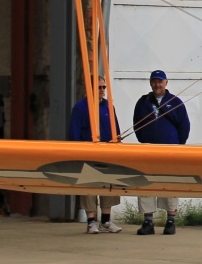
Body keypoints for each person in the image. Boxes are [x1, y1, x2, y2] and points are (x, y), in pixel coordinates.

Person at [132, 69, 190, 236]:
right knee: (145, 183)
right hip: (148, 149)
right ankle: (148, 221)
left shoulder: (175, 102)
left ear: (166, 83)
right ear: (151, 83)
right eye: (154, 81)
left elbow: (184, 126)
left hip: (170, 151)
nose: (157, 84)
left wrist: (178, 145)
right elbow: (137, 124)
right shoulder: (143, 102)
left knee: (170, 183)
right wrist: (144, 140)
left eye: (160, 81)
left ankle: (170, 220)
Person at [68, 77, 123, 234]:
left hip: (107, 153)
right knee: (89, 187)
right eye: (99, 87)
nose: (102, 89)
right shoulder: (80, 107)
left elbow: (116, 129)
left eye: (103, 86)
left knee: (108, 185)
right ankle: (91, 221)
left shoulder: (108, 106)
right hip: (88, 153)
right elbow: (74, 132)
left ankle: (106, 220)